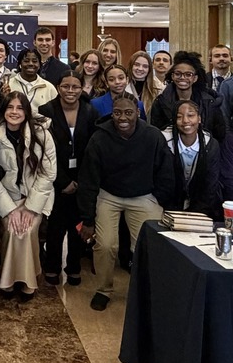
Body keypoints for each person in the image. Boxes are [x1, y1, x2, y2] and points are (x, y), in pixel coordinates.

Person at [77, 96, 173, 311]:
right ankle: (103, 290)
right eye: (117, 112)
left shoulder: (152, 136)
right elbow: (88, 180)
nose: (123, 117)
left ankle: (145, 291)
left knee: (148, 245)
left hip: (143, 195)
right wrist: (87, 220)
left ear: (137, 113)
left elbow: (166, 172)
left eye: (128, 112)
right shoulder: (99, 138)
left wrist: (159, 198)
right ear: (112, 114)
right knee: (106, 244)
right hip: (109, 195)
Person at [0, 91, 57, 301]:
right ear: (3, 111)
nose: (14, 112)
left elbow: (48, 174)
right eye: (10, 108)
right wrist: (10, 209)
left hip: (36, 196)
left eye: (19, 108)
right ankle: (12, 279)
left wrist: (30, 207)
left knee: (27, 230)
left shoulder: (41, 134)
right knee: (13, 227)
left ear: (26, 111)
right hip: (7, 197)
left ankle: (27, 282)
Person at [38, 72, 99, 287]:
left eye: (75, 87)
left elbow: (93, 150)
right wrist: (62, 181)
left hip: (81, 179)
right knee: (55, 227)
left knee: (77, 227)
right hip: (56, 178)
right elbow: (44, 150)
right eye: (66, 86)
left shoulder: (91, 112)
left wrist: (81, 181)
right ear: (58, 87)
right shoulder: (45, 111)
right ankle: (52, 267)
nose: (70, 91)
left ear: (82, 88)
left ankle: (73, 267)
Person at [163, 100, 222, 219]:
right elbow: (162, 182)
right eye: (179, 117)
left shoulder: (211, 144)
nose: (185, 121)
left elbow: (211, 185)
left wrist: (197, 213)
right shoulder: (163, 141)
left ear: (199, 119)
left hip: (201, 207)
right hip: (167, 205)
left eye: (191, 115)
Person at [149, 51, 226, 141]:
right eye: (178, 74)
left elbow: (219, 135)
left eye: (188, 74)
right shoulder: (161, 102)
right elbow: (155, 134)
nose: (182, 77)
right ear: (172, 76)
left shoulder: (209, 102)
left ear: (195, 78)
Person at [5, 48, 57, 113]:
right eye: (26, 61)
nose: (31, 64)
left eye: (35, 61)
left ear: (39, 65)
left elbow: (56, 112)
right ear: (20, 64)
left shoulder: (49, 88)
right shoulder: (8, 85)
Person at [127, 51, 164, 118]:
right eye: (137, 64)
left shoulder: (158, 89)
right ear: (131, 66)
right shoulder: (122, 85)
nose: (140, 69)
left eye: (145, 66)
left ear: (149, 69)